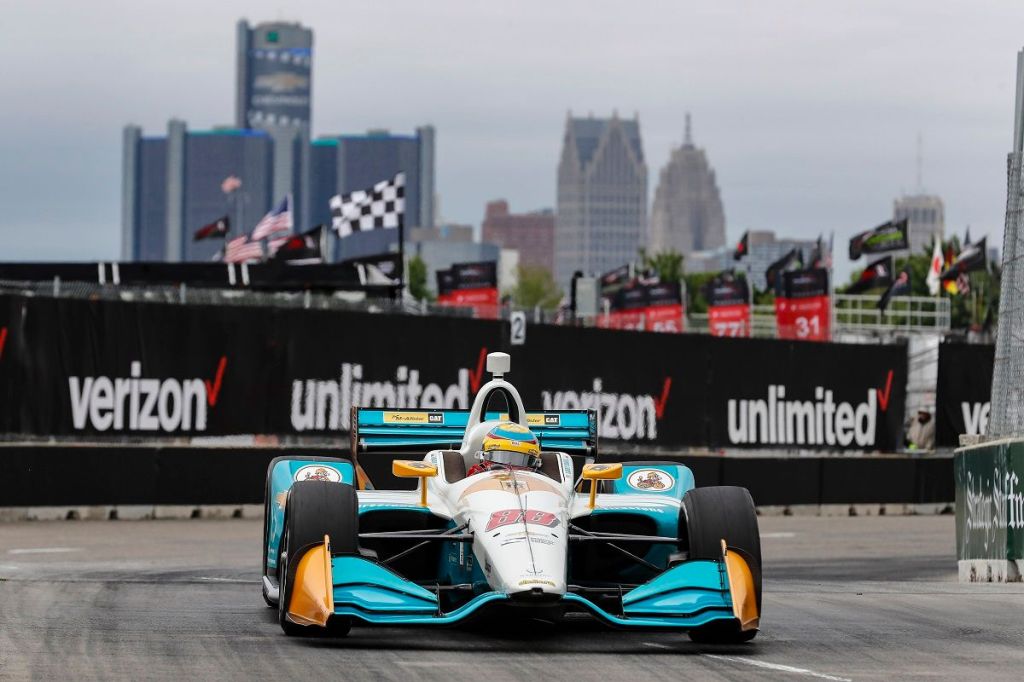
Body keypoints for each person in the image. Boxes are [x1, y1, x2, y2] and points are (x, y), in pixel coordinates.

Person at [466, 422, 542, 477]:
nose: (510, 467)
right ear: (483, 456)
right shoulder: (477, 474)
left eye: (521, 460)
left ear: (535, 463)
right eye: (502, 457)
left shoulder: (540, 481)